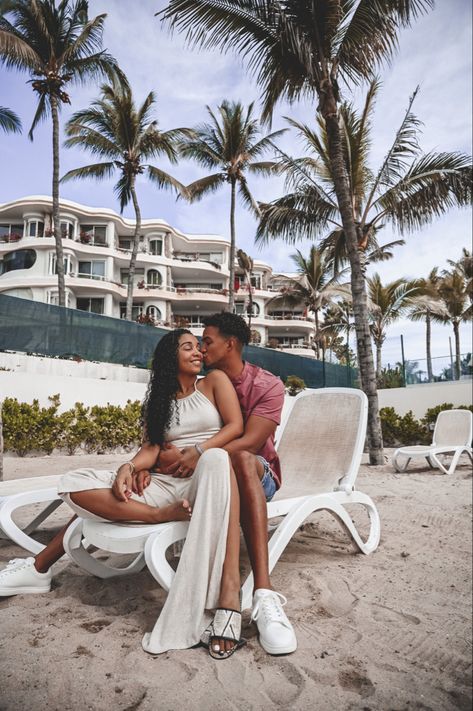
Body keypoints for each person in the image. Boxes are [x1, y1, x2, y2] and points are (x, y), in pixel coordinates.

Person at [0, 329, 246, 659]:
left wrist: (197, 451)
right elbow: (152, 448)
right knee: (74, 482)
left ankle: (39, 566)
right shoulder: (160, 402)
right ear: (170, 357)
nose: (198, 352)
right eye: (188, 347)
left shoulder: (214, 382)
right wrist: (129, 468)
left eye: (198, 347)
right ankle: (160, 515)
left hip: (207, 478)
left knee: (218, 458)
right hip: (165, 487)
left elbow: (235, 427)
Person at [156, 312, 297, 655]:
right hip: (206, 476)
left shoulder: (266, 385)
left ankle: (263, 592)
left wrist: (200, 453)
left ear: (230, 344)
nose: (201, 349)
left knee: (240, 459)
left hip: (257, 475)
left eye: (207, 341)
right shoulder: (201, 383)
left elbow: (249, 442)